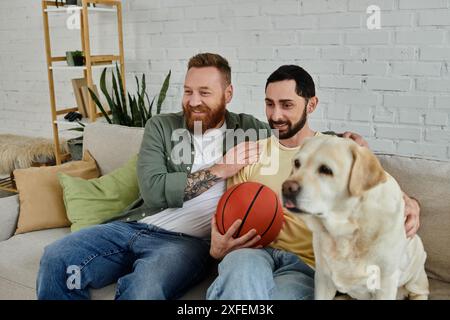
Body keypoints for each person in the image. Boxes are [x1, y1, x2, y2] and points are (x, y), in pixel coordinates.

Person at [206, 65, 421, 300]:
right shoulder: (248, 154)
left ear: (311, 104)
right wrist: (218, 248)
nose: (275, 115)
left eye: (286, 105)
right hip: (252, 254)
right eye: (269, 104)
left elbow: (381, 189)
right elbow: (229, 217)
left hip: (306, 266)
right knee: (240, 274)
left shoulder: (338, 151)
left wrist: (411, 202)